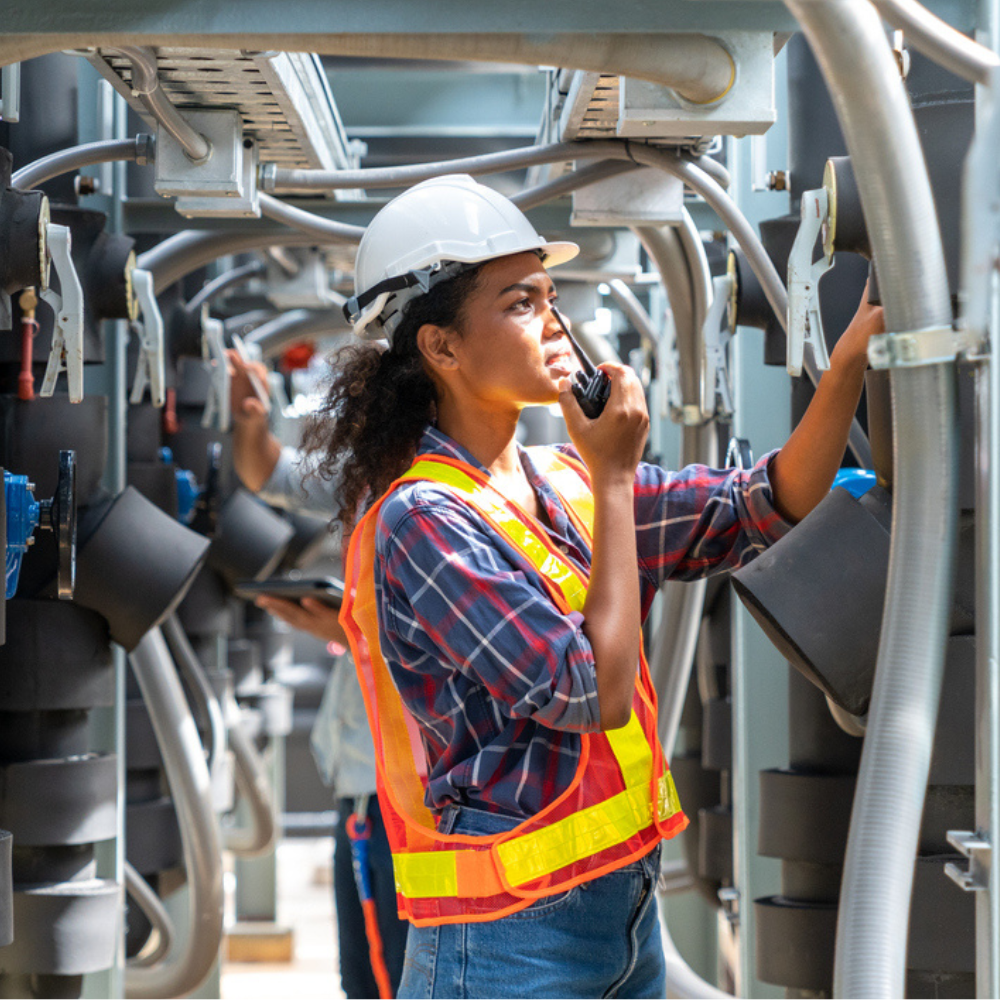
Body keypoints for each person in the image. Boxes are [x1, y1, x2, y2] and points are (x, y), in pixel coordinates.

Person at [304, 174, 884, 999]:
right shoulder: (424, 521)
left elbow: (764, 501)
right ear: (441, 347)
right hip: (507, 946)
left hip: (625, 914)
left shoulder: (560, 480)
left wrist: (852, 359)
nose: (553, 324)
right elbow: (590, 692)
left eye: (549, 296)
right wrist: (615, 474)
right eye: (518, 303)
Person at [228, 351, 408, 999]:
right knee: (368, 975)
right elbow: (267, 471)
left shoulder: (442, 501)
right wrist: (251, 421)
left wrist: (346, 631)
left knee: (387, 979)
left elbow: (448, 646)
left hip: (398, 794)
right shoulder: (371, 482)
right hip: (362, 787)